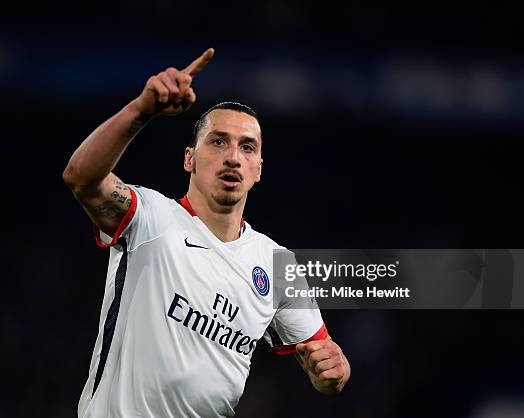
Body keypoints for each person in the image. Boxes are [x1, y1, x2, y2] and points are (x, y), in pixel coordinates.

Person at [63, 48, 351, 418]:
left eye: (247, 147)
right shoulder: (150, 218)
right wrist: (141, 110)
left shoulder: (277, 264)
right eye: (218, 142)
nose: (233, 156)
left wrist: (334, 372)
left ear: (258, 169)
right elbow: (81, 177)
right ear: (189, 158)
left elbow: (324, 358)